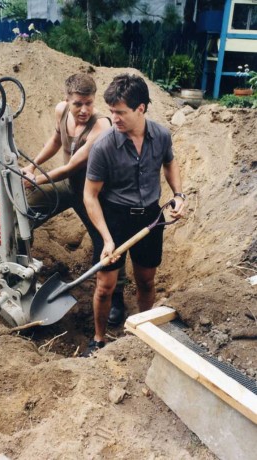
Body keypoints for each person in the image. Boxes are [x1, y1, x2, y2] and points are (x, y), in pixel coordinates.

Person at [83, 73, 186, 356]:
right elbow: (89, 196)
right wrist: (105, 239)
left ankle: (143, 332)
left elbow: (170, 164)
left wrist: (178, 195)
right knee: (105, 285)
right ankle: (99, 338)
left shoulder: (161, 136)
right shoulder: (104, 146)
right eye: (111, 111)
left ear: (141, 108)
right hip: (114, 219)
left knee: (146, 280)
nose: (114, 118)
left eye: (120, 112)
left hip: (150, 218)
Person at [22, 73, 127, 315]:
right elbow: (57, 139)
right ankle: (21, 266)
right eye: (78, 103)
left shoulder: (101, 125)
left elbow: (72, 166)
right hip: (69, 186)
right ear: (66, 100)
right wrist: (31, 166)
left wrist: (35, 179)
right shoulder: (61, 111)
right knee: (25, 210)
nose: (83, 110)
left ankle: (117, 297)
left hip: (95, 195)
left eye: (88, 103)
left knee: (107, 241)